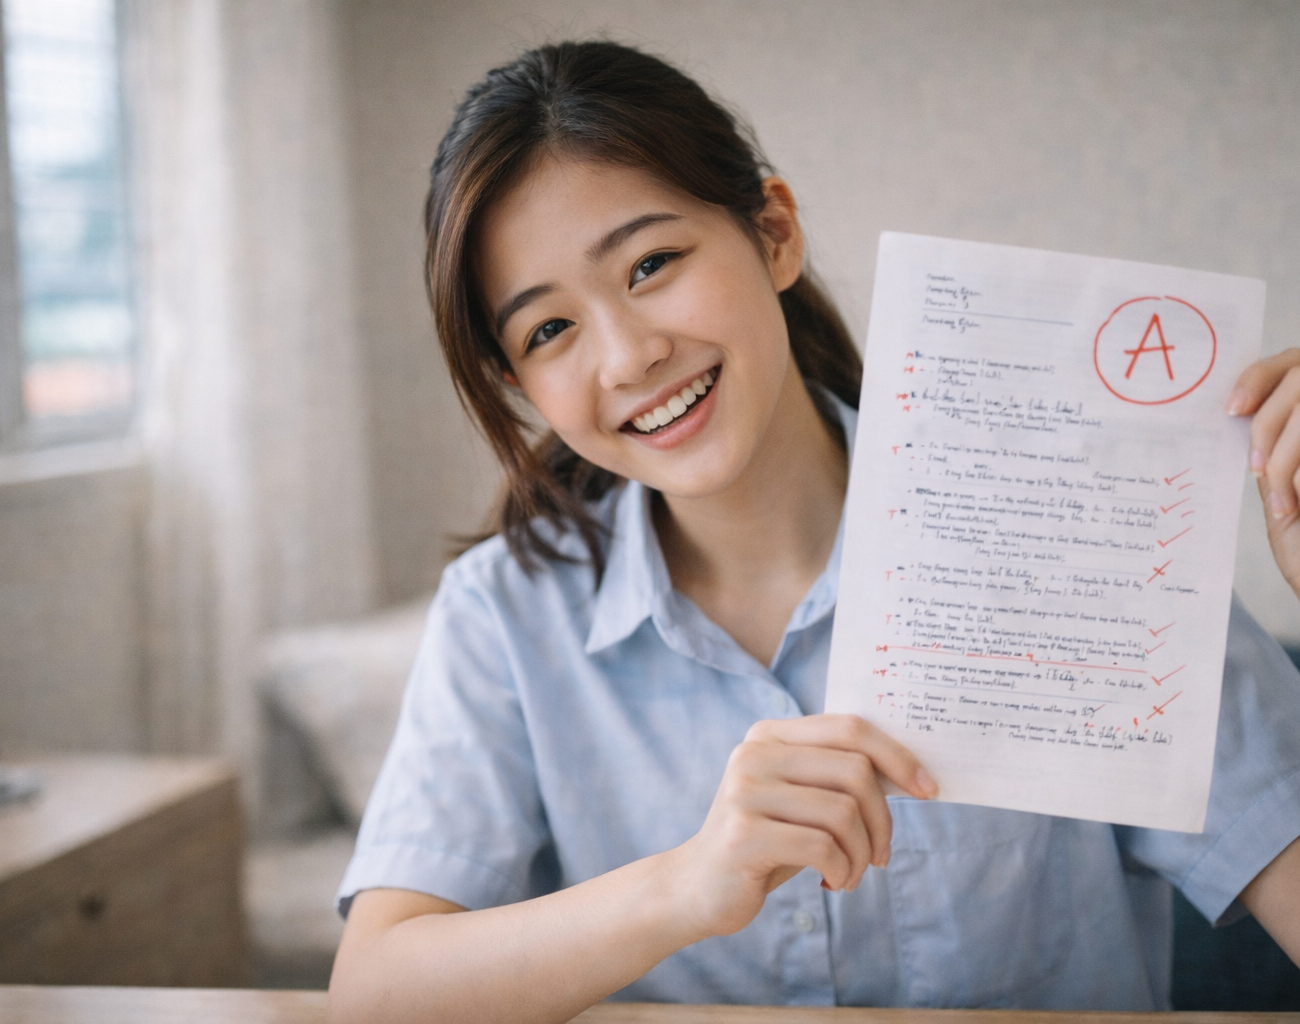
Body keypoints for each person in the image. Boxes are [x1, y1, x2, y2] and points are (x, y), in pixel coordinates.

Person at [328, 40, 1300, 1022]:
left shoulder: (1073, 530)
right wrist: (684, 885)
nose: (628, 356)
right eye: (548, 331)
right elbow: (374, 995)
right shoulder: (503, 615)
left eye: (651, 263)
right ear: (519, 385)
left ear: (773, 232)